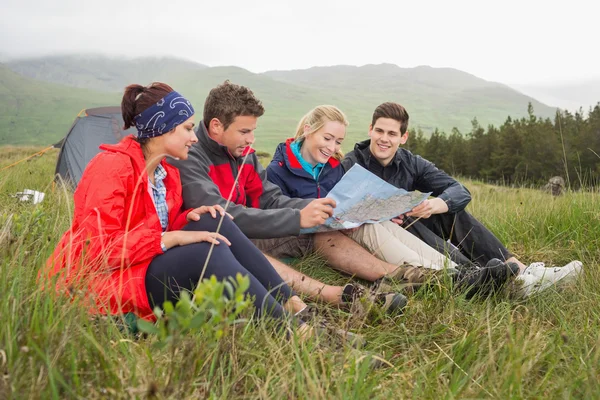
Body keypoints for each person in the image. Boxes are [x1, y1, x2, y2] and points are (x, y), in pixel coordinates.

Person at [43, 82, 312, 331]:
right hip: (102, 282)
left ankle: (295, 307)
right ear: (163, 128)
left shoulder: (166, 174)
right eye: (187, 128)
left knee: (215, 219)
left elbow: (154, 227)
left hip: (143, 266)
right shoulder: (111, 168)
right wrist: (173, 236)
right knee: (204, 253)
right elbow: (98, 250)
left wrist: (186, 219)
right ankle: (293, 331)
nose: (194, 137)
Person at [173, 81, 423, 313]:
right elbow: (221, 217)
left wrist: (316, 209)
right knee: (244, 244)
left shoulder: (244, 155)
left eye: (253, 130)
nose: (252, 139)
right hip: (215, 240)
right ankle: (341, 297)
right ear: (217, 126)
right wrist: (296, 218)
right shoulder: (191, 157)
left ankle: (397, 274)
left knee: (318, 230)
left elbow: (270, 200)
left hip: (249, 233)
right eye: (245, 131)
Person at [265, 105, 514, 298]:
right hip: (316, 234)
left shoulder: (333, 166)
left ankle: (459, 273)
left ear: (402, 137)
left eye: (338, 141)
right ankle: (450, 277)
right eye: (327, 138)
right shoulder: (279, 169)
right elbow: (276, 211)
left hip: (343, 225)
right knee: (372, 227)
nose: (332, 147)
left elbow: (344, 197)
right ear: (308, 129)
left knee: (391, 221)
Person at [341, 102, 583, 297]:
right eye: (380, 131)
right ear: (370, 130)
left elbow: (459, 190)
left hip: (414, 225)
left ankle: (522, 271)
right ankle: (482, 277)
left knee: (450, 210)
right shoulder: (352, 163)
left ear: (403, 137)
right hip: (384, 235)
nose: (384, 139)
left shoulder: (410, 162)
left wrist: (436, 204)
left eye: (392, 133)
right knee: (407, 221)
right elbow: (340, 208)